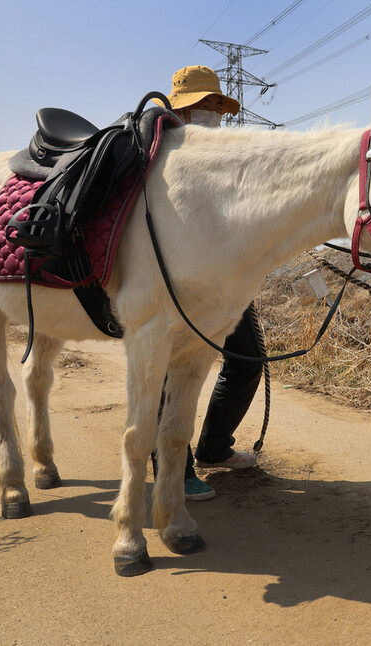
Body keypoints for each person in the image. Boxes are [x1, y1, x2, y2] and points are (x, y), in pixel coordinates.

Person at [150, 65, 261, 502]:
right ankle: (171, 469)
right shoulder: (159, 150)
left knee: (247, 360)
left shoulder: (229, 157)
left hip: (227, 281)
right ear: (181, 106)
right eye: (204, 103)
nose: (214, 111)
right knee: (168, 370)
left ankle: (215, 448)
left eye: (218, 104)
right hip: (173, 280)